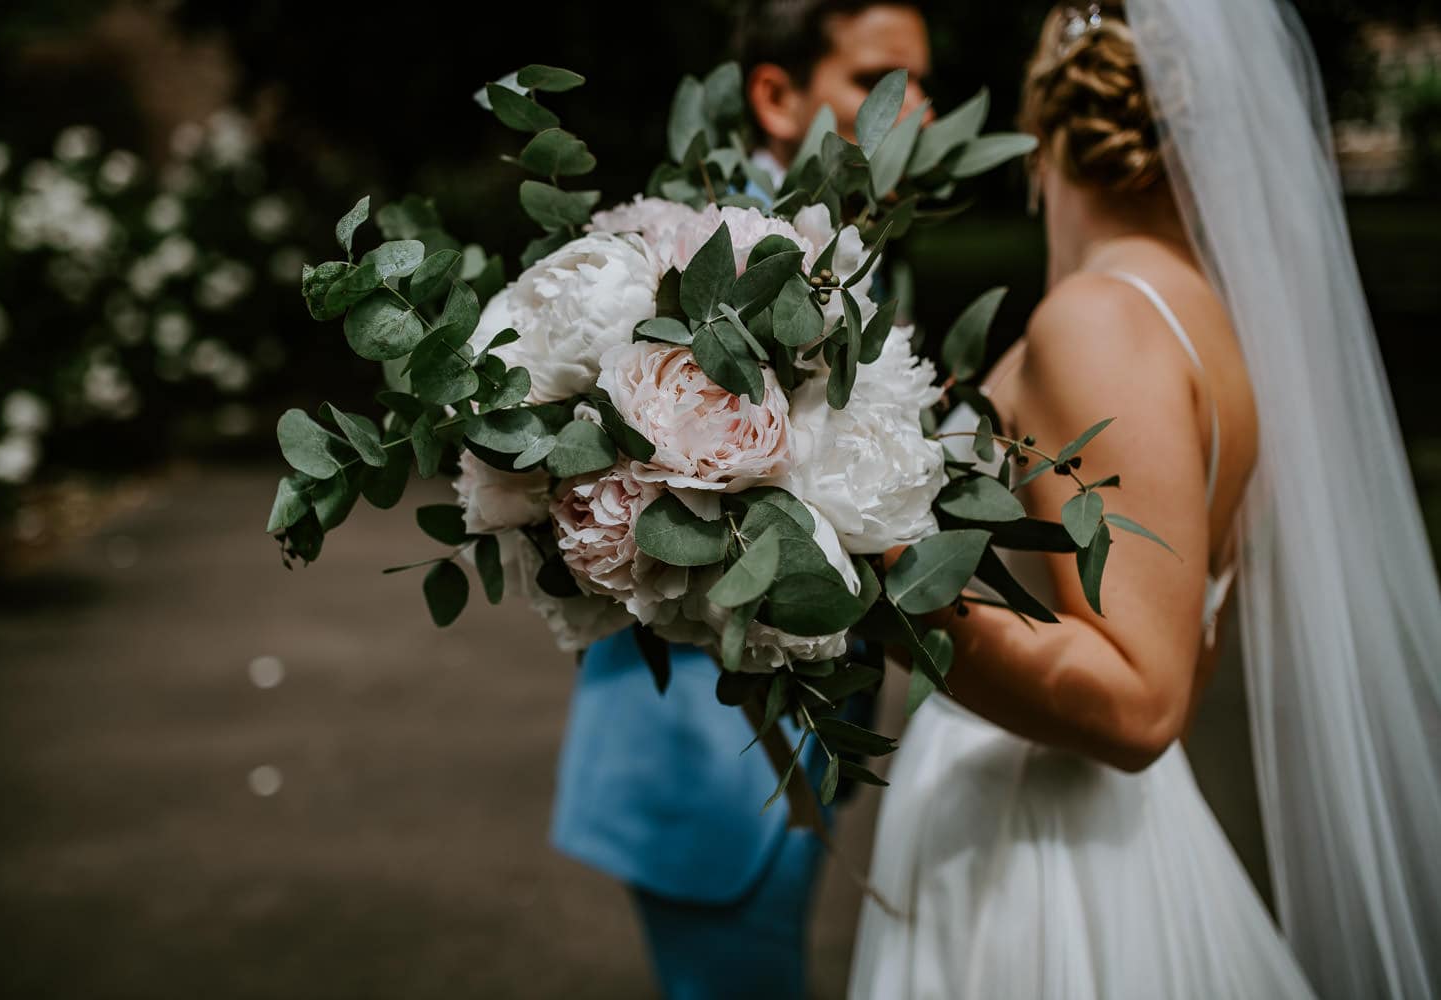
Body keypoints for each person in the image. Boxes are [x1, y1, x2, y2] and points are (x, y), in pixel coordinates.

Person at [850, 1, 1441, 998]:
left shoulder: (1101, 320)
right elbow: (1184, 645)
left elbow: (1142, 701)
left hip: (1040, 863)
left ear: (1041, 138)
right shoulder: (1209, 319)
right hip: (1099, 826)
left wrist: (877, 579)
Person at [548, 5, 933, 999]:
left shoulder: (856, 254)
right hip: (703, 756)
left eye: (924, 83)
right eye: (879, 80)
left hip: (816, 723)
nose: (918, 110)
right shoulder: (677, 262)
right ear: (775, 95)